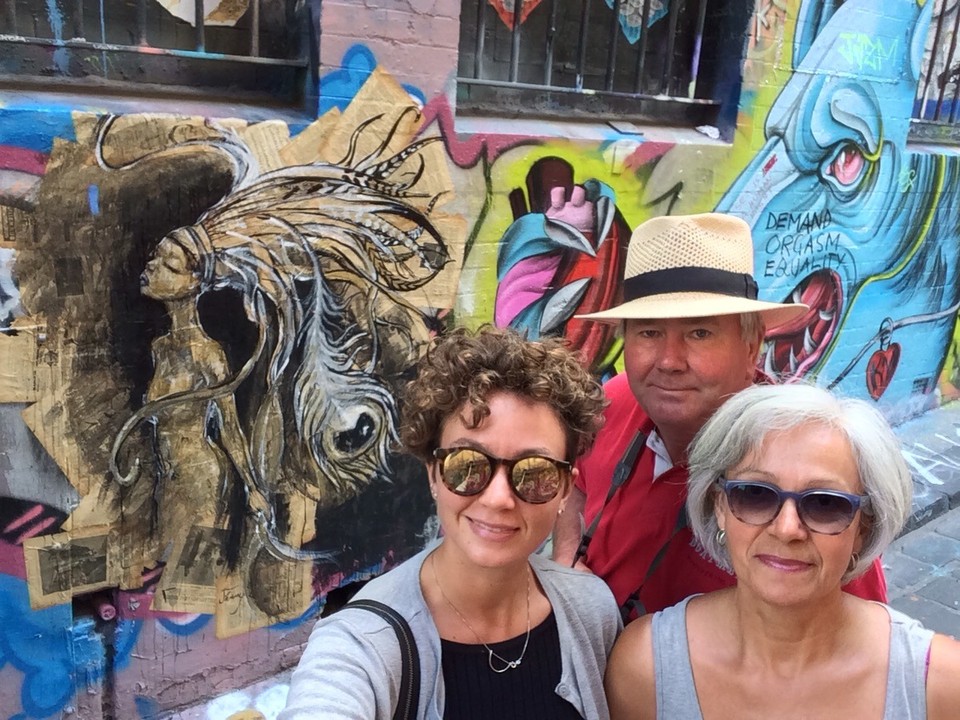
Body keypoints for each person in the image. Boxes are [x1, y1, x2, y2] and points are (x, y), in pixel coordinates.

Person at [551, 212, 888, 618]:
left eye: (699, 333)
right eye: (648, 332)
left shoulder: (803, 458)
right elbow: (578, 485)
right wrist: (568, 557)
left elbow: (863, 631)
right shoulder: (615, 399)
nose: (670, 361)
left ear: (751, 347)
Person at [280, 326, 622, 720]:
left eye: (535, 471)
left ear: (565, 490)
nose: (497, 498)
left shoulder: (591, 610)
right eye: (467, 466)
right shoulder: (360, 644)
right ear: (433, 474)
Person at [604, 383, 960, 719]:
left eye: (825, 503)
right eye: (755, 494)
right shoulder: (646, 667)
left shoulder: (939, 686)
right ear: (721, 508)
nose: (787, 529)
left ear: (862, 528)